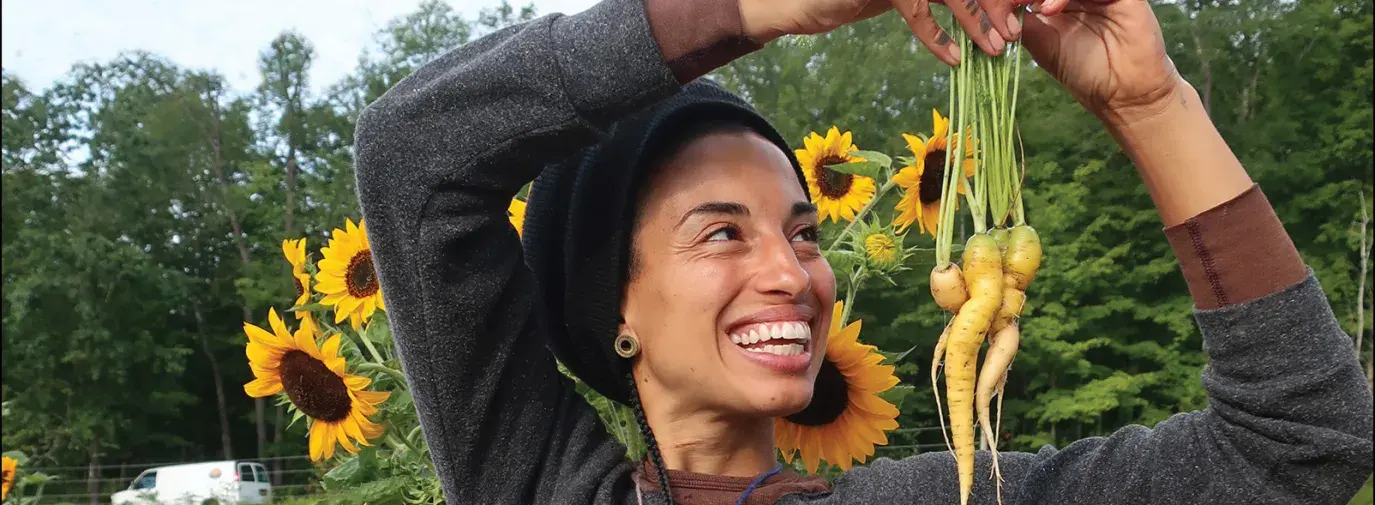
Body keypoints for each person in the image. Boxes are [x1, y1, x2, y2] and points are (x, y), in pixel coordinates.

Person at [351, 0, 1375, 503]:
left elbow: (1298, 444)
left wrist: (1148, 103)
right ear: (611, 306)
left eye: (804, 232)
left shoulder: (946, 497)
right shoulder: (537, 486)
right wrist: (761, 7)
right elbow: (413, 156)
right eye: (722, 231)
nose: (793, 275)